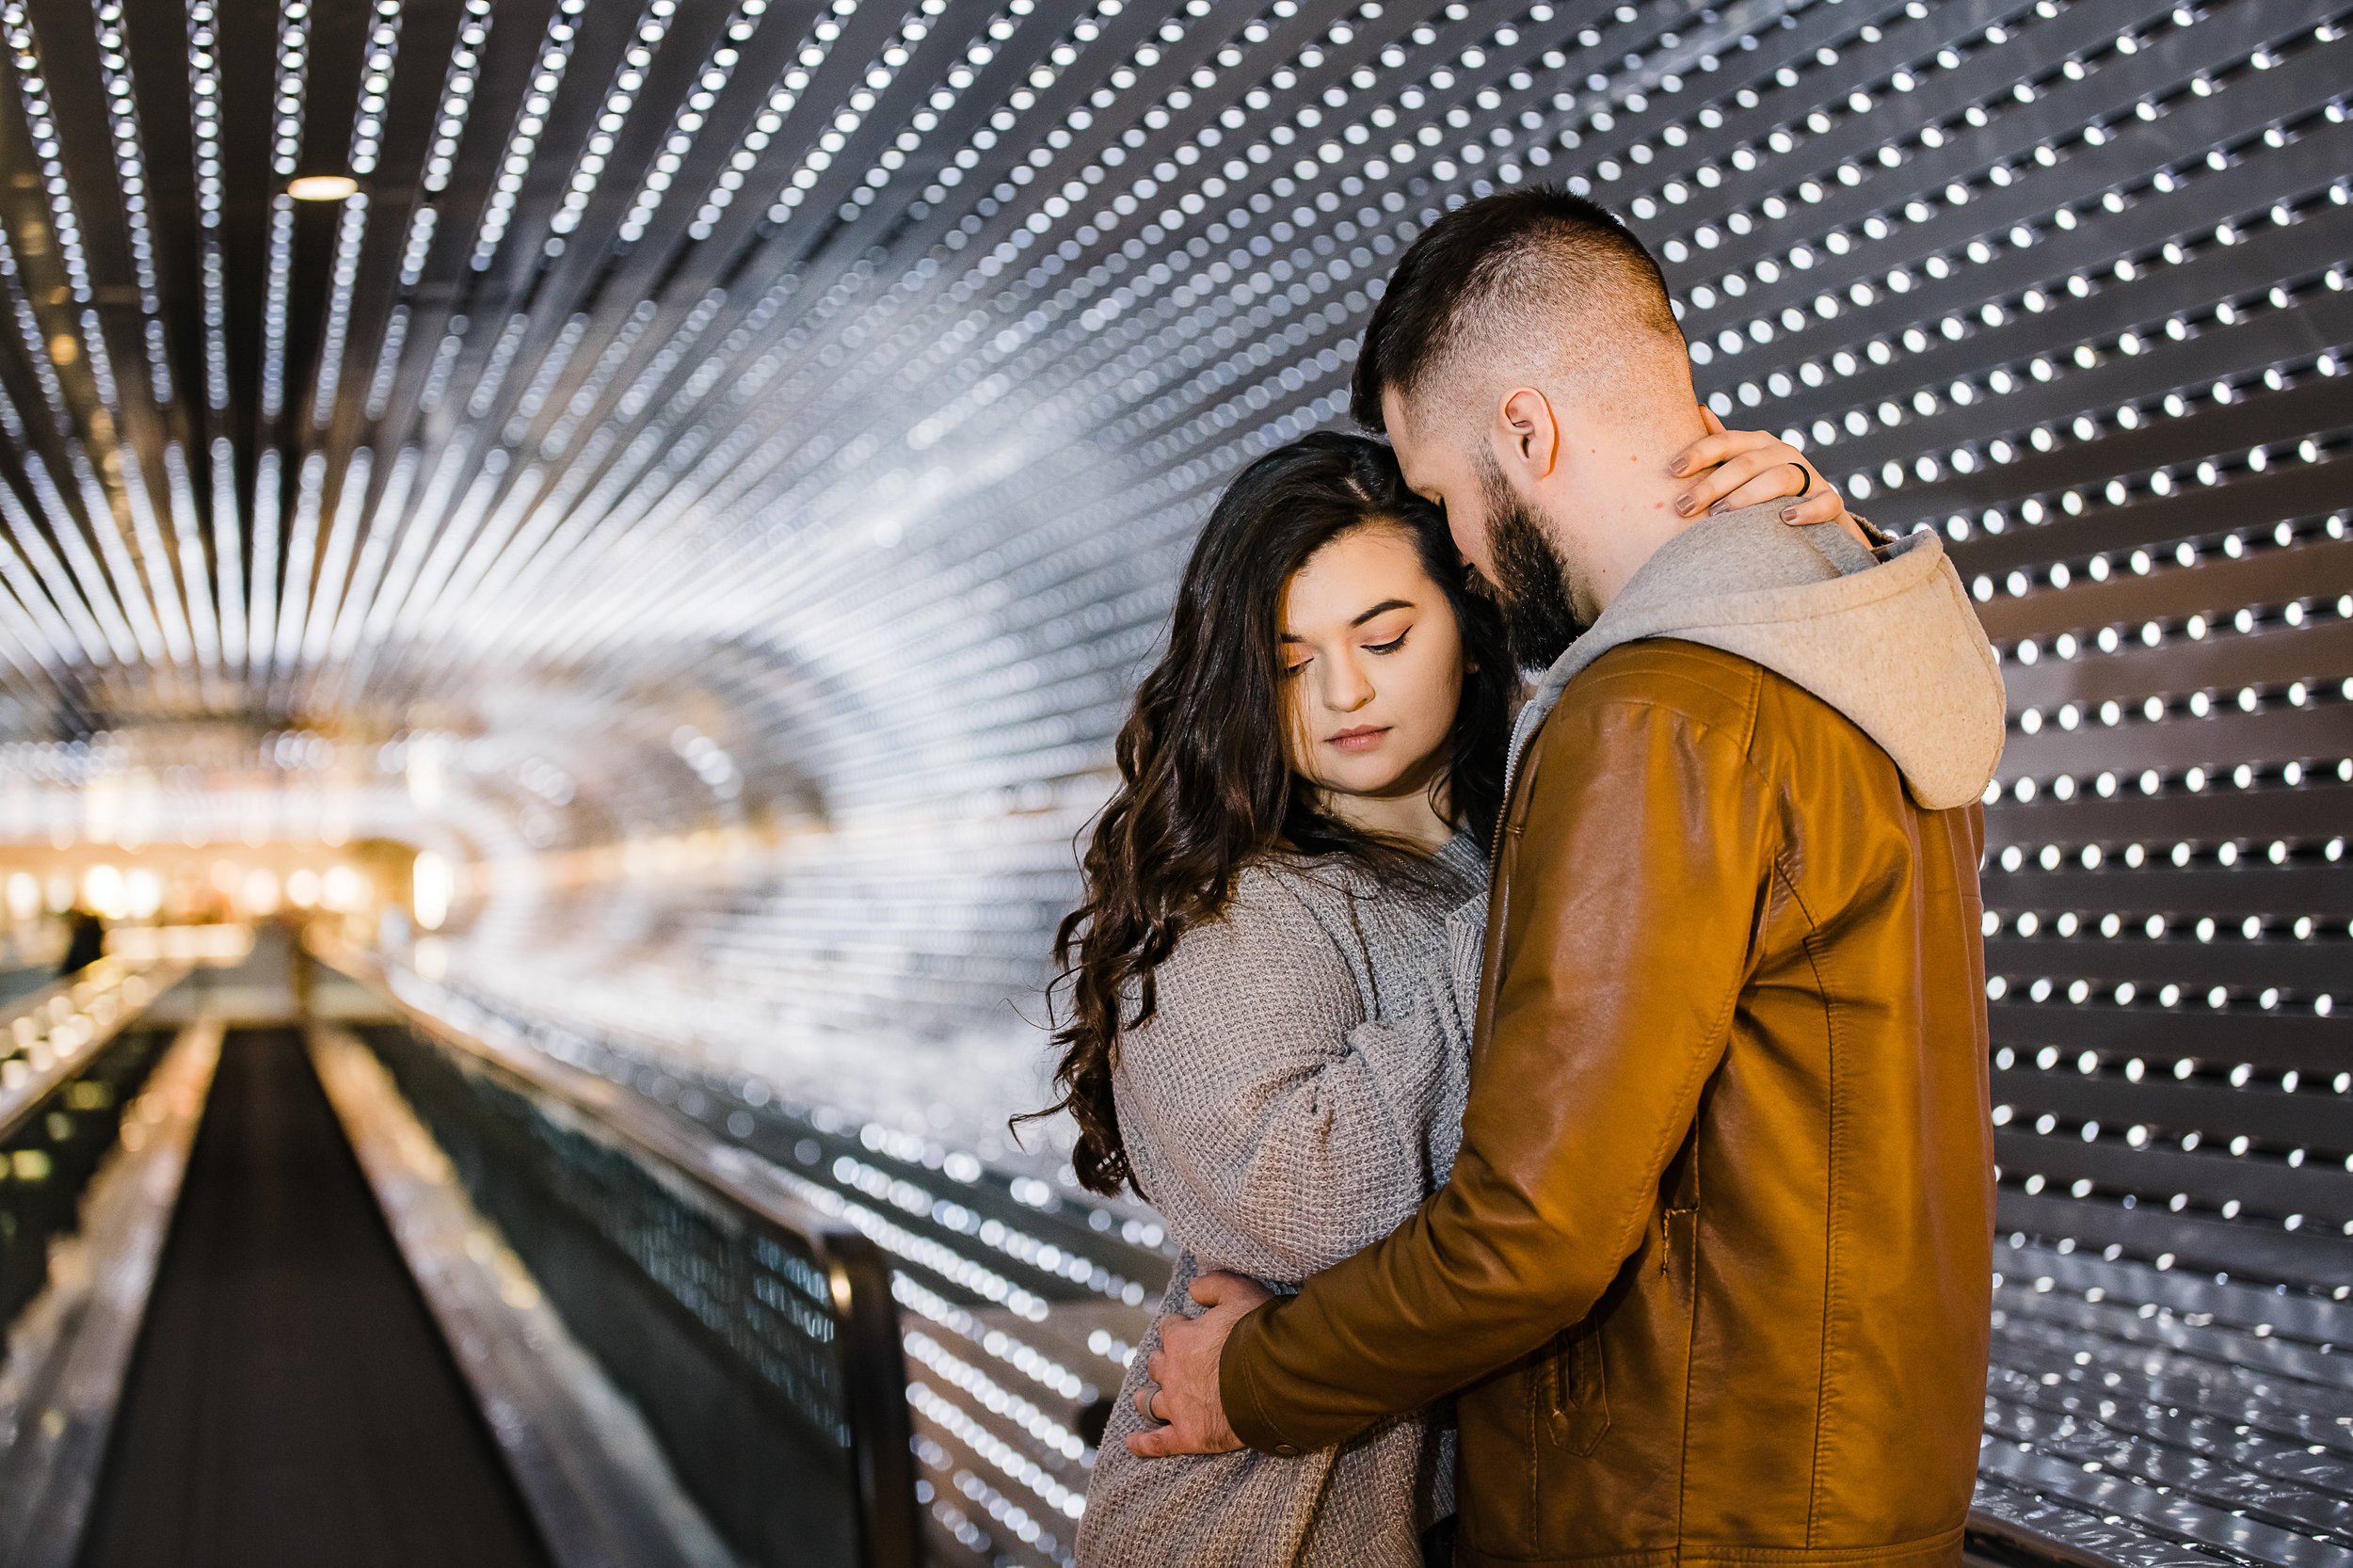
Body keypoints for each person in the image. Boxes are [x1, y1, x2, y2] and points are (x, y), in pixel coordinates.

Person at [1129, 187, 2007, 1568]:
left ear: (1525, 434)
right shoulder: (1841, 653)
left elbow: (1534, 1230)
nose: (1465, 552)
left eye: (1440, 500)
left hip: (1675, 1504)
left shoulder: (1650, 716)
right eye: (1298, 657)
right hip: (1843, 1480)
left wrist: (1250, 1381)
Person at [1035, 416, 1849, 1566]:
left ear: (1467, 631)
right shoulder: (1225, 900)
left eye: (1383, 635)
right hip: (1259, 1530)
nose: (1341, 692)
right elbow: (1295, 1204)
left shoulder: (1514, 831)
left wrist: (1798, 546)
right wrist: (1564, 887)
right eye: (1287, 661)